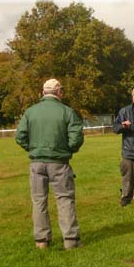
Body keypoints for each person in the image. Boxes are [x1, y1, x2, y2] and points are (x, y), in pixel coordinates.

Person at [15, 78, 84, 250]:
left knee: (39, 201)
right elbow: (76, 138)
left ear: (43, 92)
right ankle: (70, 240)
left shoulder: (30, 112)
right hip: (59, 162)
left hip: (36, 162)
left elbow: (20, 137)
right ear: (59, 92)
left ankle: (42, 241)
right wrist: (67, 150)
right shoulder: (67, 112)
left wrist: (33, 149)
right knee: (65, 199)